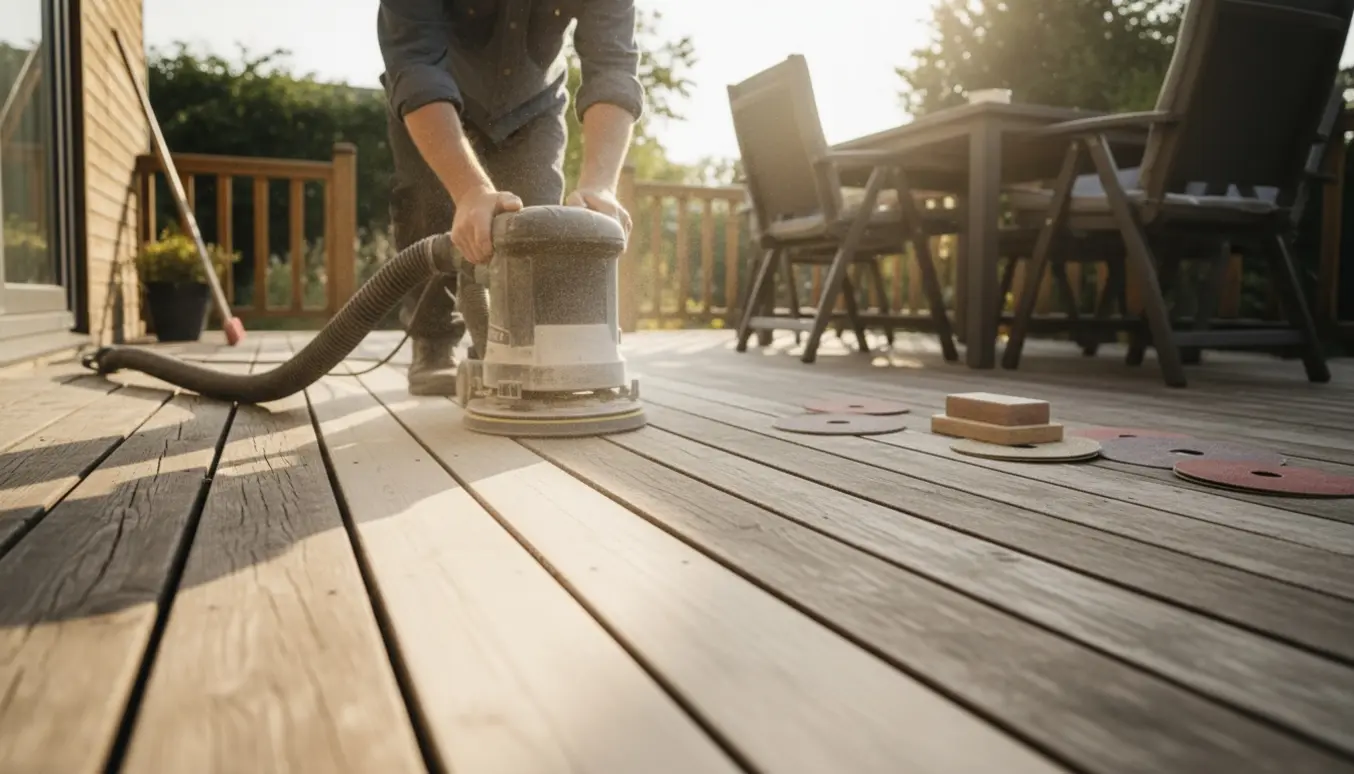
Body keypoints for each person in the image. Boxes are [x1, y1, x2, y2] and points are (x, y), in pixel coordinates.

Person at [377, 0, 644, 395]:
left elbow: (612, 67)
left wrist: (599, 184)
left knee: (536, 230)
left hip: (533, 107)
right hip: (436, 100)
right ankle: (433, 343)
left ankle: (527, 346)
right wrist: (469, 191)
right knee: (426, 204)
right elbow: (416, 65)